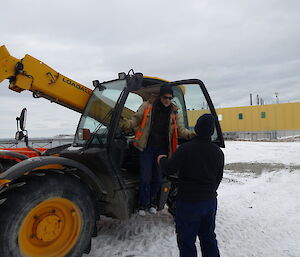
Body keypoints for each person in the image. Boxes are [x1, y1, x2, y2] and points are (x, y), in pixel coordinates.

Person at [157, 114, 224, 257]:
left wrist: (161, 159)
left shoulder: (186, 149)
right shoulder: (218, 152)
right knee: (208, 238)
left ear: (197, 129)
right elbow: (218, 178)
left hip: (188, 203)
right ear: (212, 131)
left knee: (186, 240)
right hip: (209, 202)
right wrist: (208, 192)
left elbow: (169, 169)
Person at [122, 85, 195, 216]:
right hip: (147, 148)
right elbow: (136, 119)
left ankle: (152, 203)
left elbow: (181, 130)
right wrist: (127, 125)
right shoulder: (147, 106)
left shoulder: (174, 113)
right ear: (160, 96)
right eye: (165, 97)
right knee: (145, 177)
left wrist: (191, 135)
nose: (168, 100)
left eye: (170, 98)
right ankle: (142, 205)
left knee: (157, 178)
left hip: (162, 151)